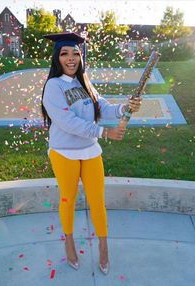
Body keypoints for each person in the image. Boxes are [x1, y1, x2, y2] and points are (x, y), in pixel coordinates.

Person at [41, 32, 141, 275]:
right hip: (64, 152)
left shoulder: (84, 82)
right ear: (57, 57)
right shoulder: (53, 86)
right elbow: (67, 122)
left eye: (76, 53)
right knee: (68, 199)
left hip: (90, 152)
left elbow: (102, 106)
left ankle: (104, 247)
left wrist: (123, 108)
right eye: (65, 53)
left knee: (98, 202)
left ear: (81, 56)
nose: (71, 58)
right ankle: (69, 242)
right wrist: (104, 133)